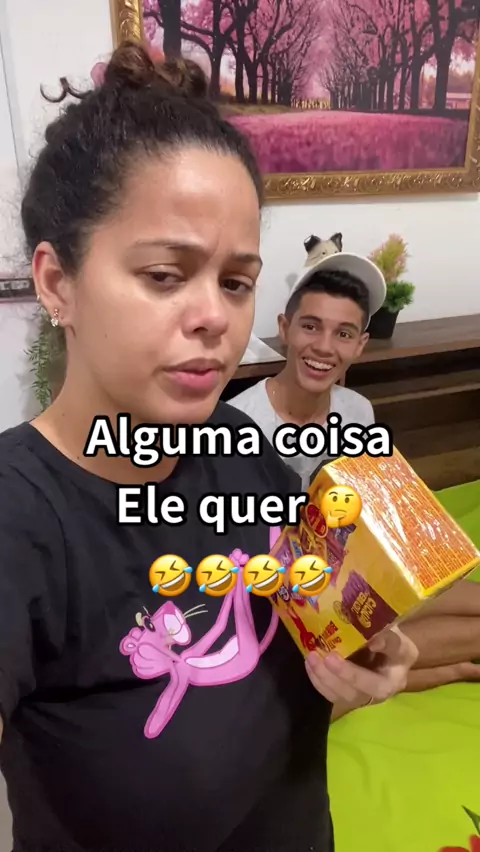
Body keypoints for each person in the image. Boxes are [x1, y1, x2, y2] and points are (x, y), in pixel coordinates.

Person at [0, 41, 417, 852]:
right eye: (165, 275)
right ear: (57, 283)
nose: (215, 318)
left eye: (235, 282)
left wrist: (365, 655)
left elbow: (311, 627)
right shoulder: (20, 517)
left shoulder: (237, 444)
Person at [228, 254, 386, 489]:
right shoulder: (235, 425)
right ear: (285, 329)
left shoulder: (359, 413)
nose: (324, 347)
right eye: (311, 327)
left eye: (344, 334)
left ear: (359, 345)